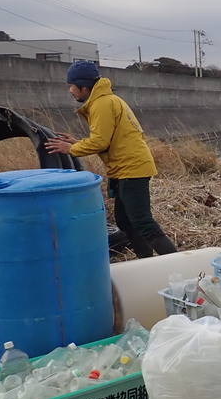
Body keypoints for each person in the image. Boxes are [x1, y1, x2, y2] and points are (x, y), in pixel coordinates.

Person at [45, 60, 178, 257]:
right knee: (125, 221)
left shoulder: (102, 103)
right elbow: (107, 140)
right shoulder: (106, 100)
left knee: (142, 221)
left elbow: (99, 142)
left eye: (71, 86)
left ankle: (175, 262)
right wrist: (76, 142)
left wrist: (71, 148)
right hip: (127, 168)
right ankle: (145, 261)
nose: (70, 91)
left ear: (84, 86)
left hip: (132, 169)